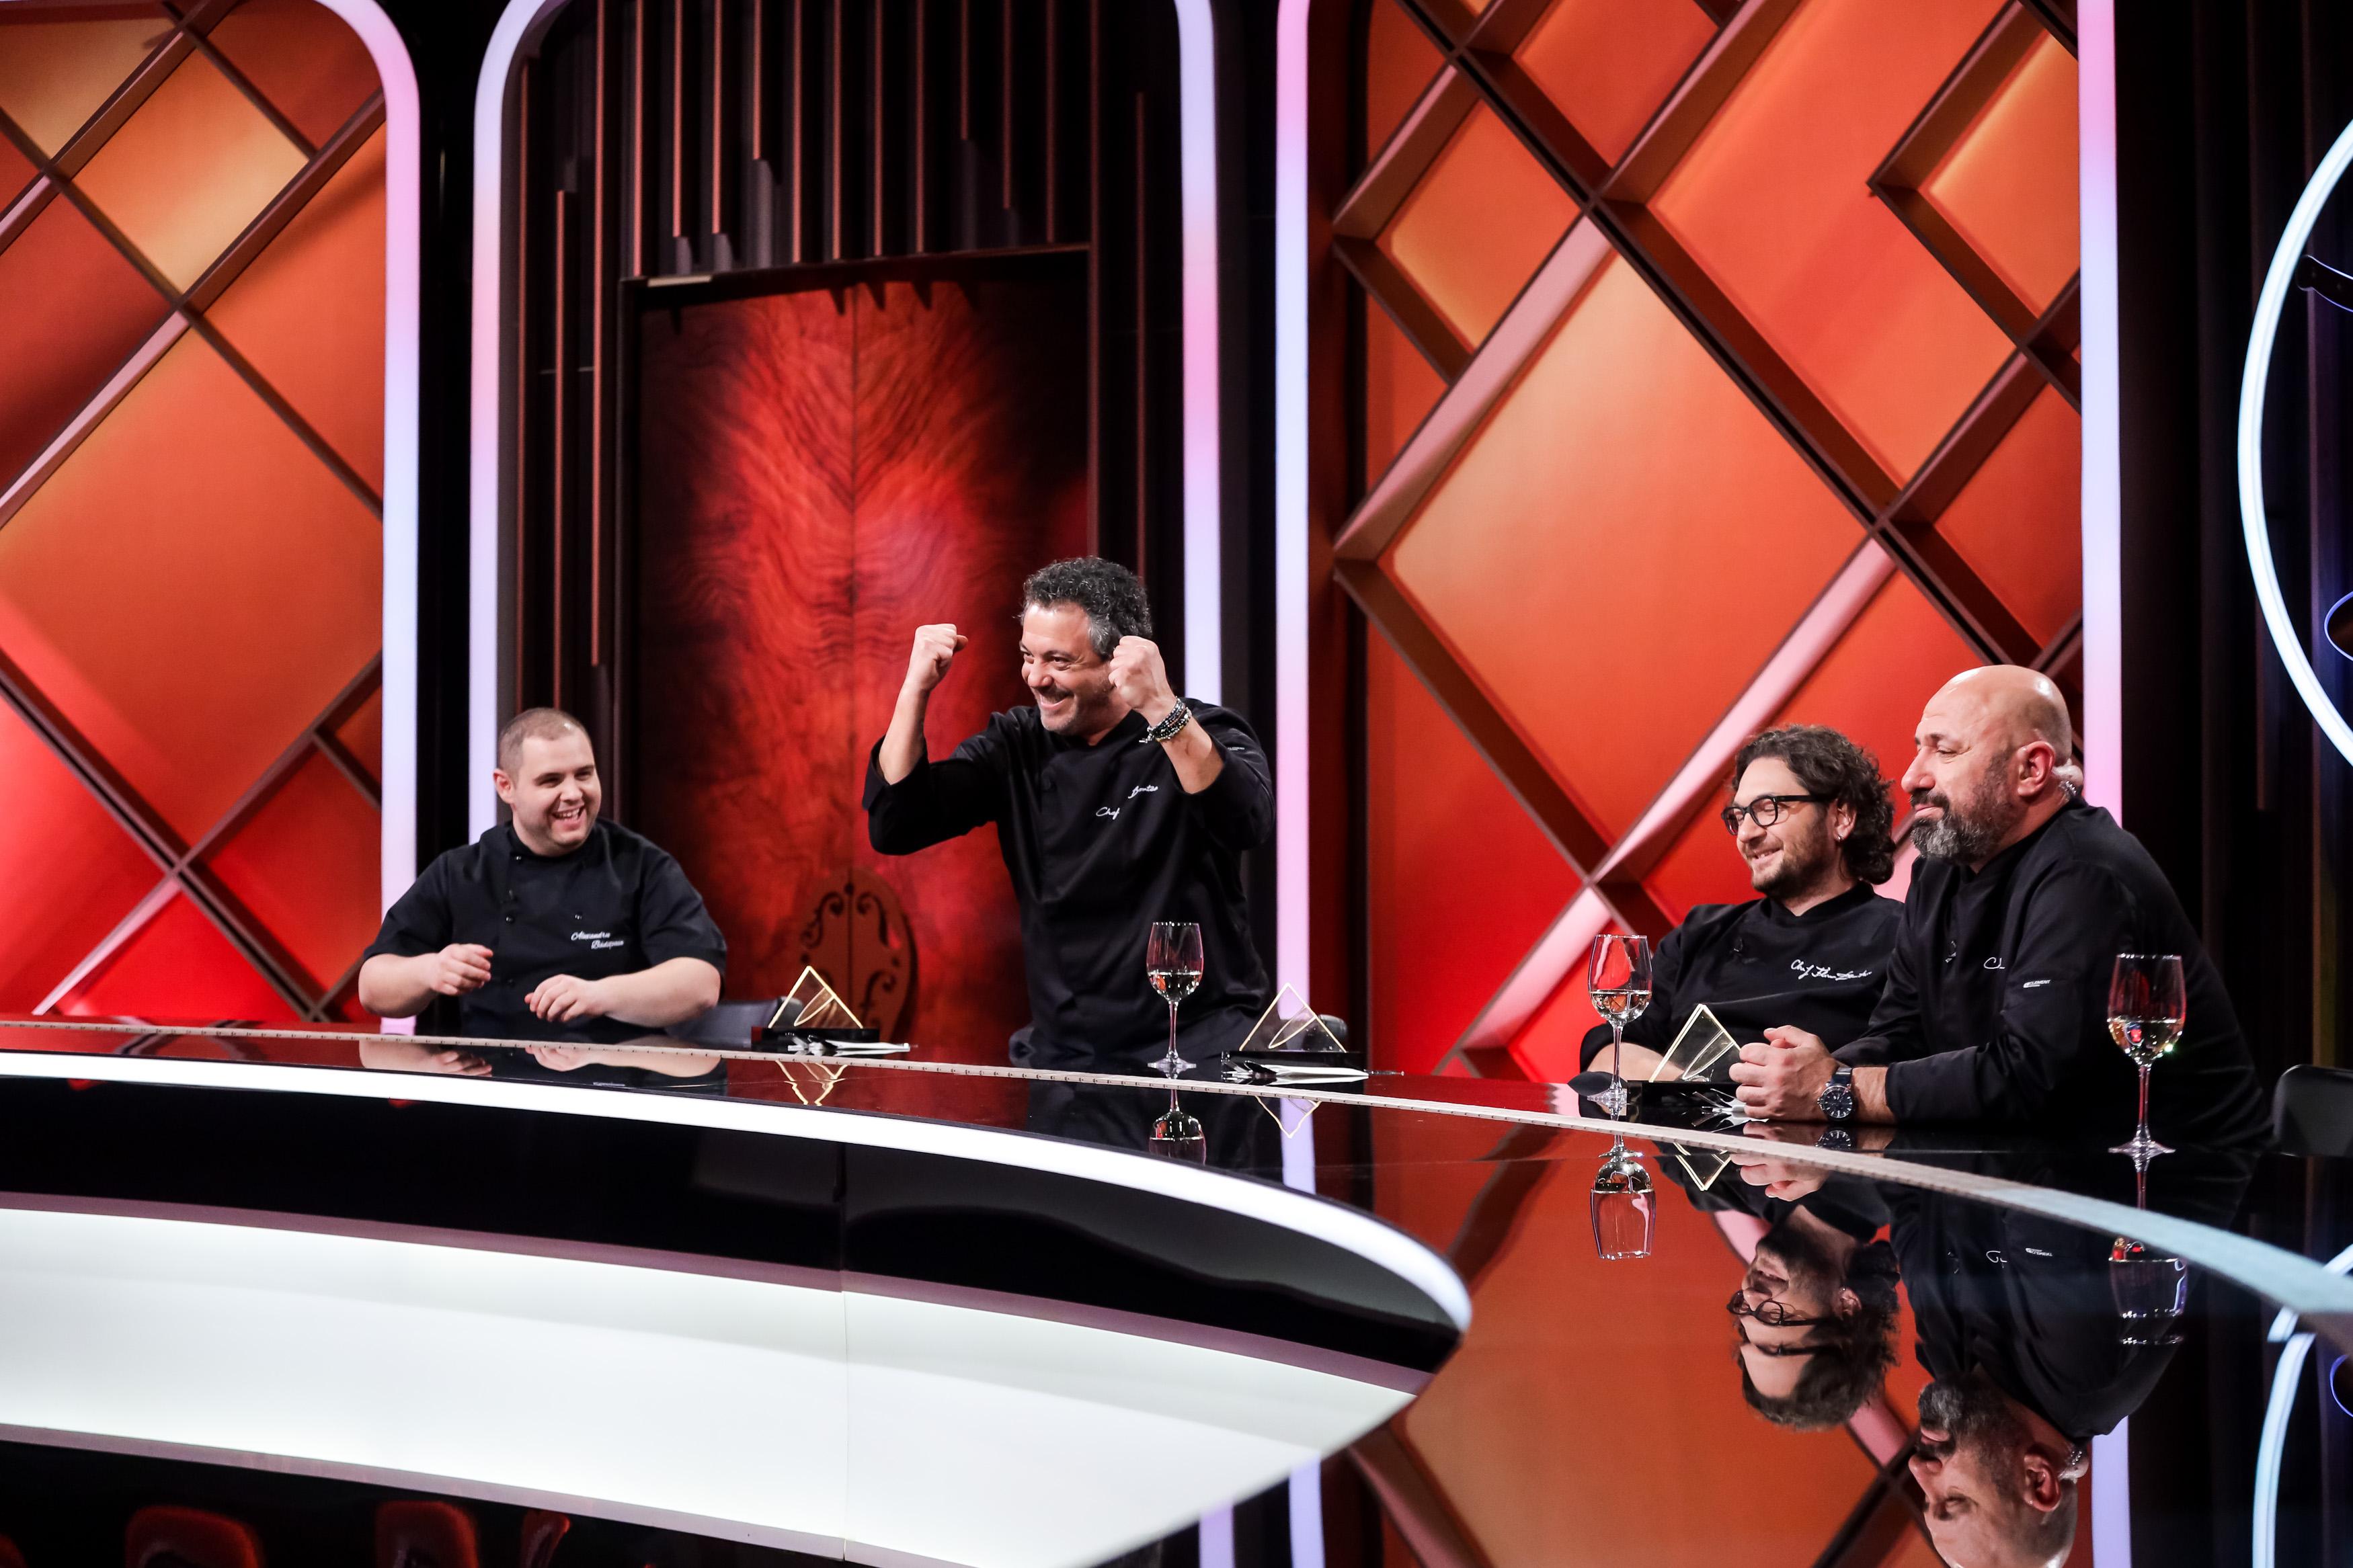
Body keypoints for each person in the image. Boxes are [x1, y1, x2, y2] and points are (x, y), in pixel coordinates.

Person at [1731, 667, 2267, 1142]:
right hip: (2027, 1178)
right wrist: (1799, 1079)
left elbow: (2032, 1076)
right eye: (1918, 747)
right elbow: (1902, 1033)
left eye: (1944, 750)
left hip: (2183, 1190)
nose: (1914, 776)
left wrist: (1835, 1090)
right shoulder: (1938, 870)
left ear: (2032, 769)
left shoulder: (2085, 874)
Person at [863, 556, 1273, 1066]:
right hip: (1067, 1059)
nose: (1036, 678)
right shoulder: (1017, 745)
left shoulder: (1198, 732)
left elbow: (1248, 820)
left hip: (1196, 1049)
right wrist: (914, 690)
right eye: (1027, 656)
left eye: (1059, 661)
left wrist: (1163, 710)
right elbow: (896, 824)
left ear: (1119, 661)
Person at [356, 708, 726, 1080]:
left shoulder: (640, 865)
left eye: (584, 774)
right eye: (551, 781)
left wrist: (598, 995)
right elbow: (373, 987)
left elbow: (700, 985)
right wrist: (430, 970)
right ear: (506, 787)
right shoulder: (462, 872)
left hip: (615, 1088)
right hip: (491, 1085)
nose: (573, 794)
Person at [1578, 725, 1903, 1083]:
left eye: (1768, 809)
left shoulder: (1903, 939)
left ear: (1840, 817)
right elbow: (1612, 1049)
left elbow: (1907, 1073)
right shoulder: (1700, 935)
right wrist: (1694, 1093)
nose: (1747, 834)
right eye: (1739, 816)